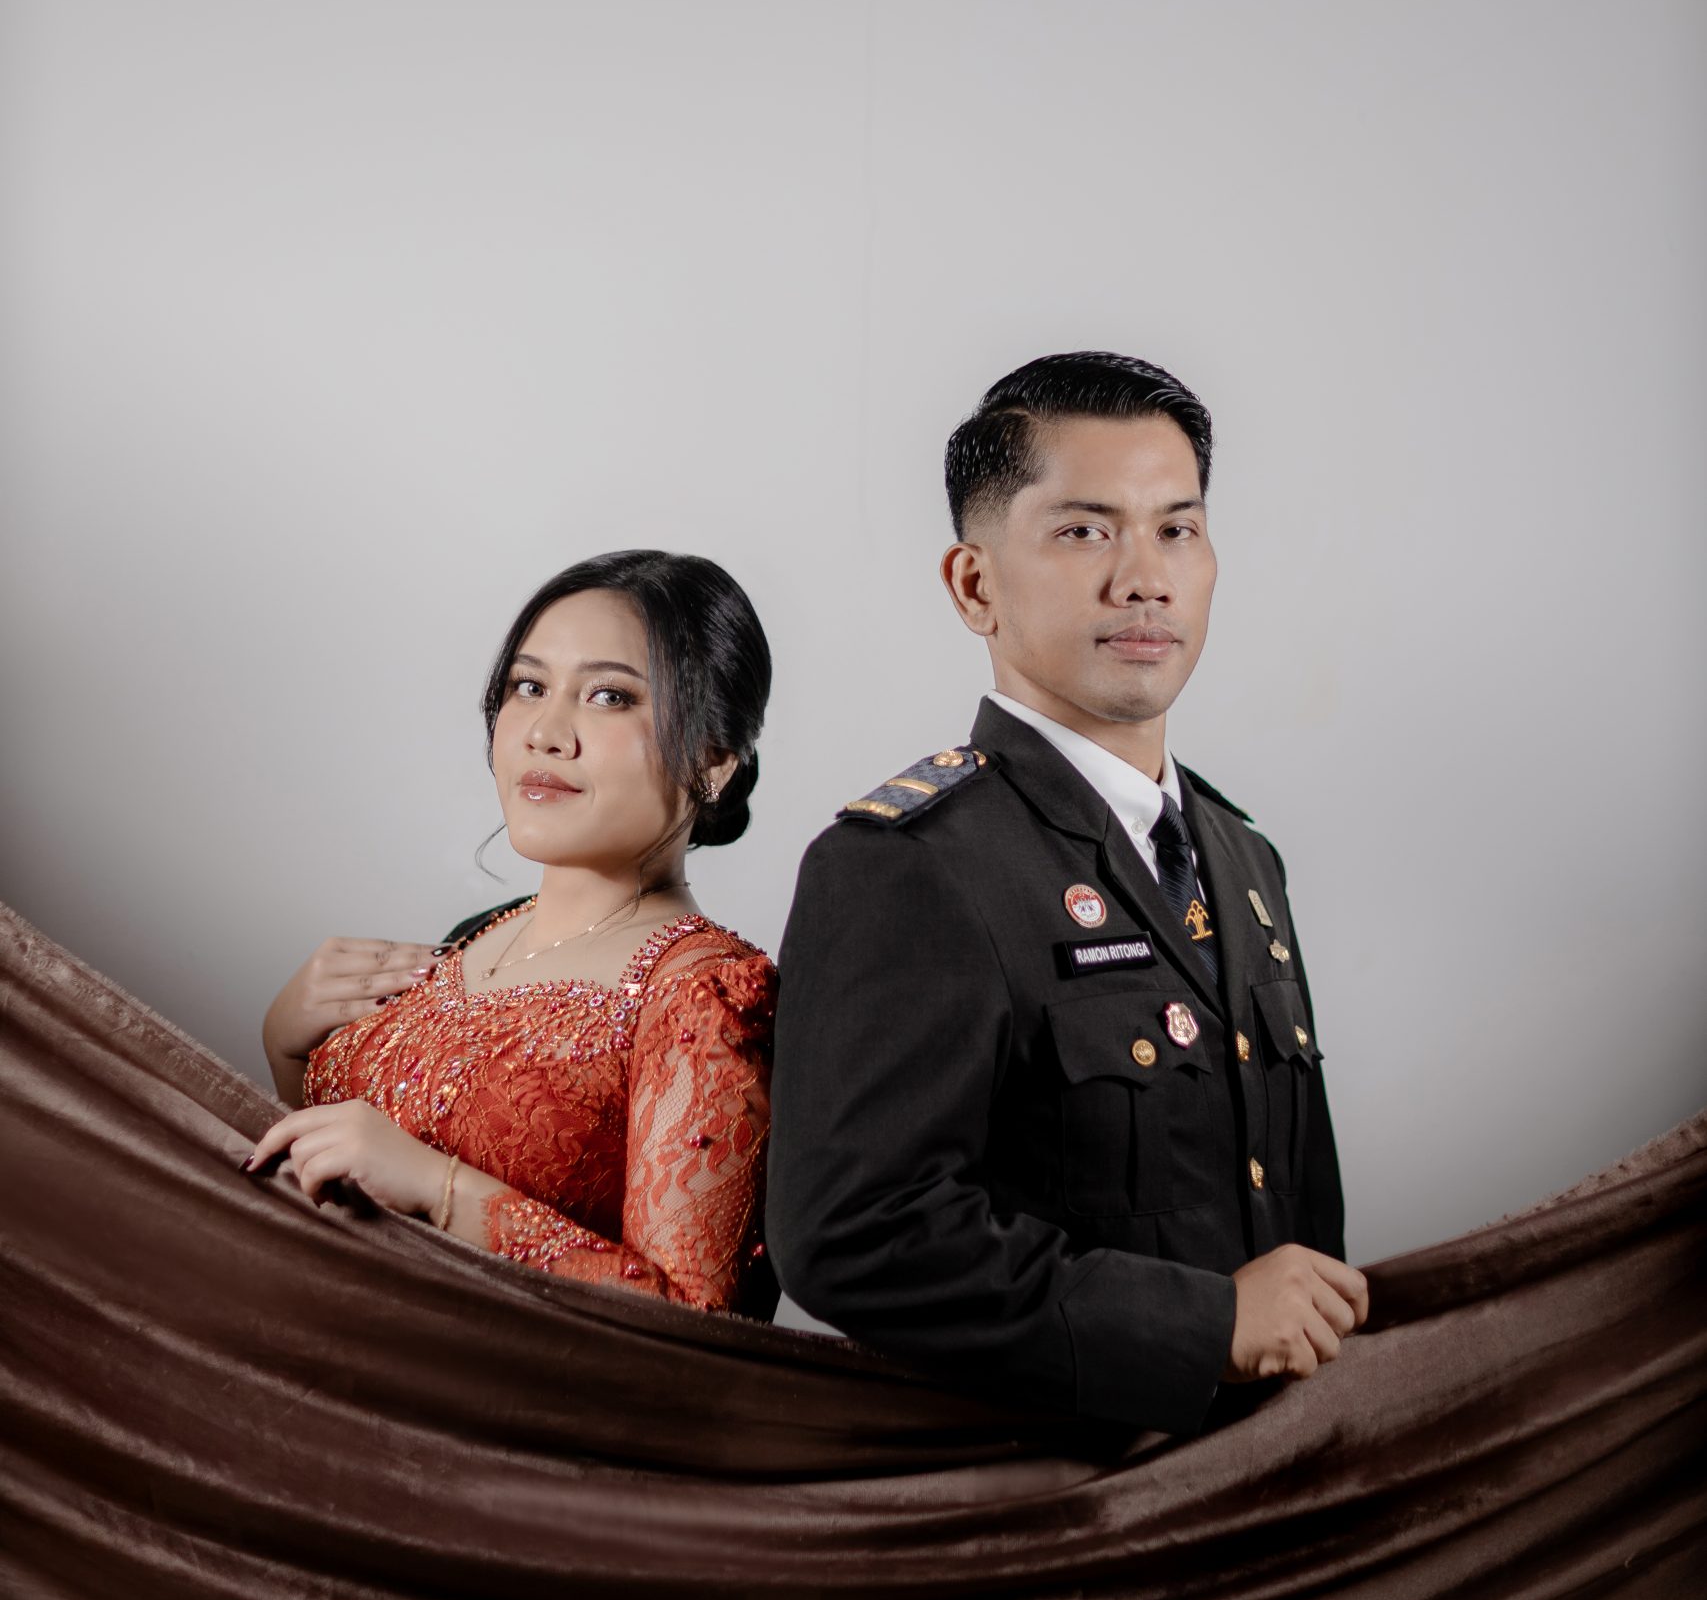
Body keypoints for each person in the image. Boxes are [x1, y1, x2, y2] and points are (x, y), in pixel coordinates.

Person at [765, 352, 1367, 1430]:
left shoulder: (1242, 859)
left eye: (1176, 529)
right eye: (1086, 531)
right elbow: (854, 1233)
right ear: (975, 585)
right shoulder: (909, 865)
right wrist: (1204, 1324)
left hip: (1272, 1474)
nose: (1144, 577)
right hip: (1052, 1493)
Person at [246, 550, 776, 1313]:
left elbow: (695, 1324)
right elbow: (336, 1205)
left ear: (713, 760)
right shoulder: (469, 941)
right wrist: (285, 1049)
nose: (545, 733)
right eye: (528, 687)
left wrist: (442, 1191)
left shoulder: (706, 994)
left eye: (609, 697)